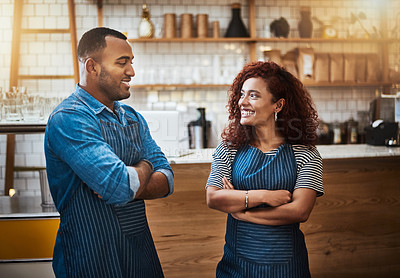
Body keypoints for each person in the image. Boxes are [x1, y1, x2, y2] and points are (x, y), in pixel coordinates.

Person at [44, 27, 174, 278]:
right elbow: (118, 187)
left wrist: (131, 177)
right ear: (92, 67)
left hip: (140, 254)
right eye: (122, 63)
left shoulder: (132, 117)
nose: (131, 72)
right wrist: (147, 167)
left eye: (131, 62)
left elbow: (167, 180)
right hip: (90, 257)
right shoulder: (70, 118)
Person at [206, 61, 323, 277]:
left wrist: (242, 211)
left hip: (286, 268)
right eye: (242, 94)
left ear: (278, 105)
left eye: (254, 95)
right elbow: (213, 197)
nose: (243, 102)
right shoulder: (229, 148)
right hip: (236, 267)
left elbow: (300, 211)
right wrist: (262, 196)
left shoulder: (305, 154)